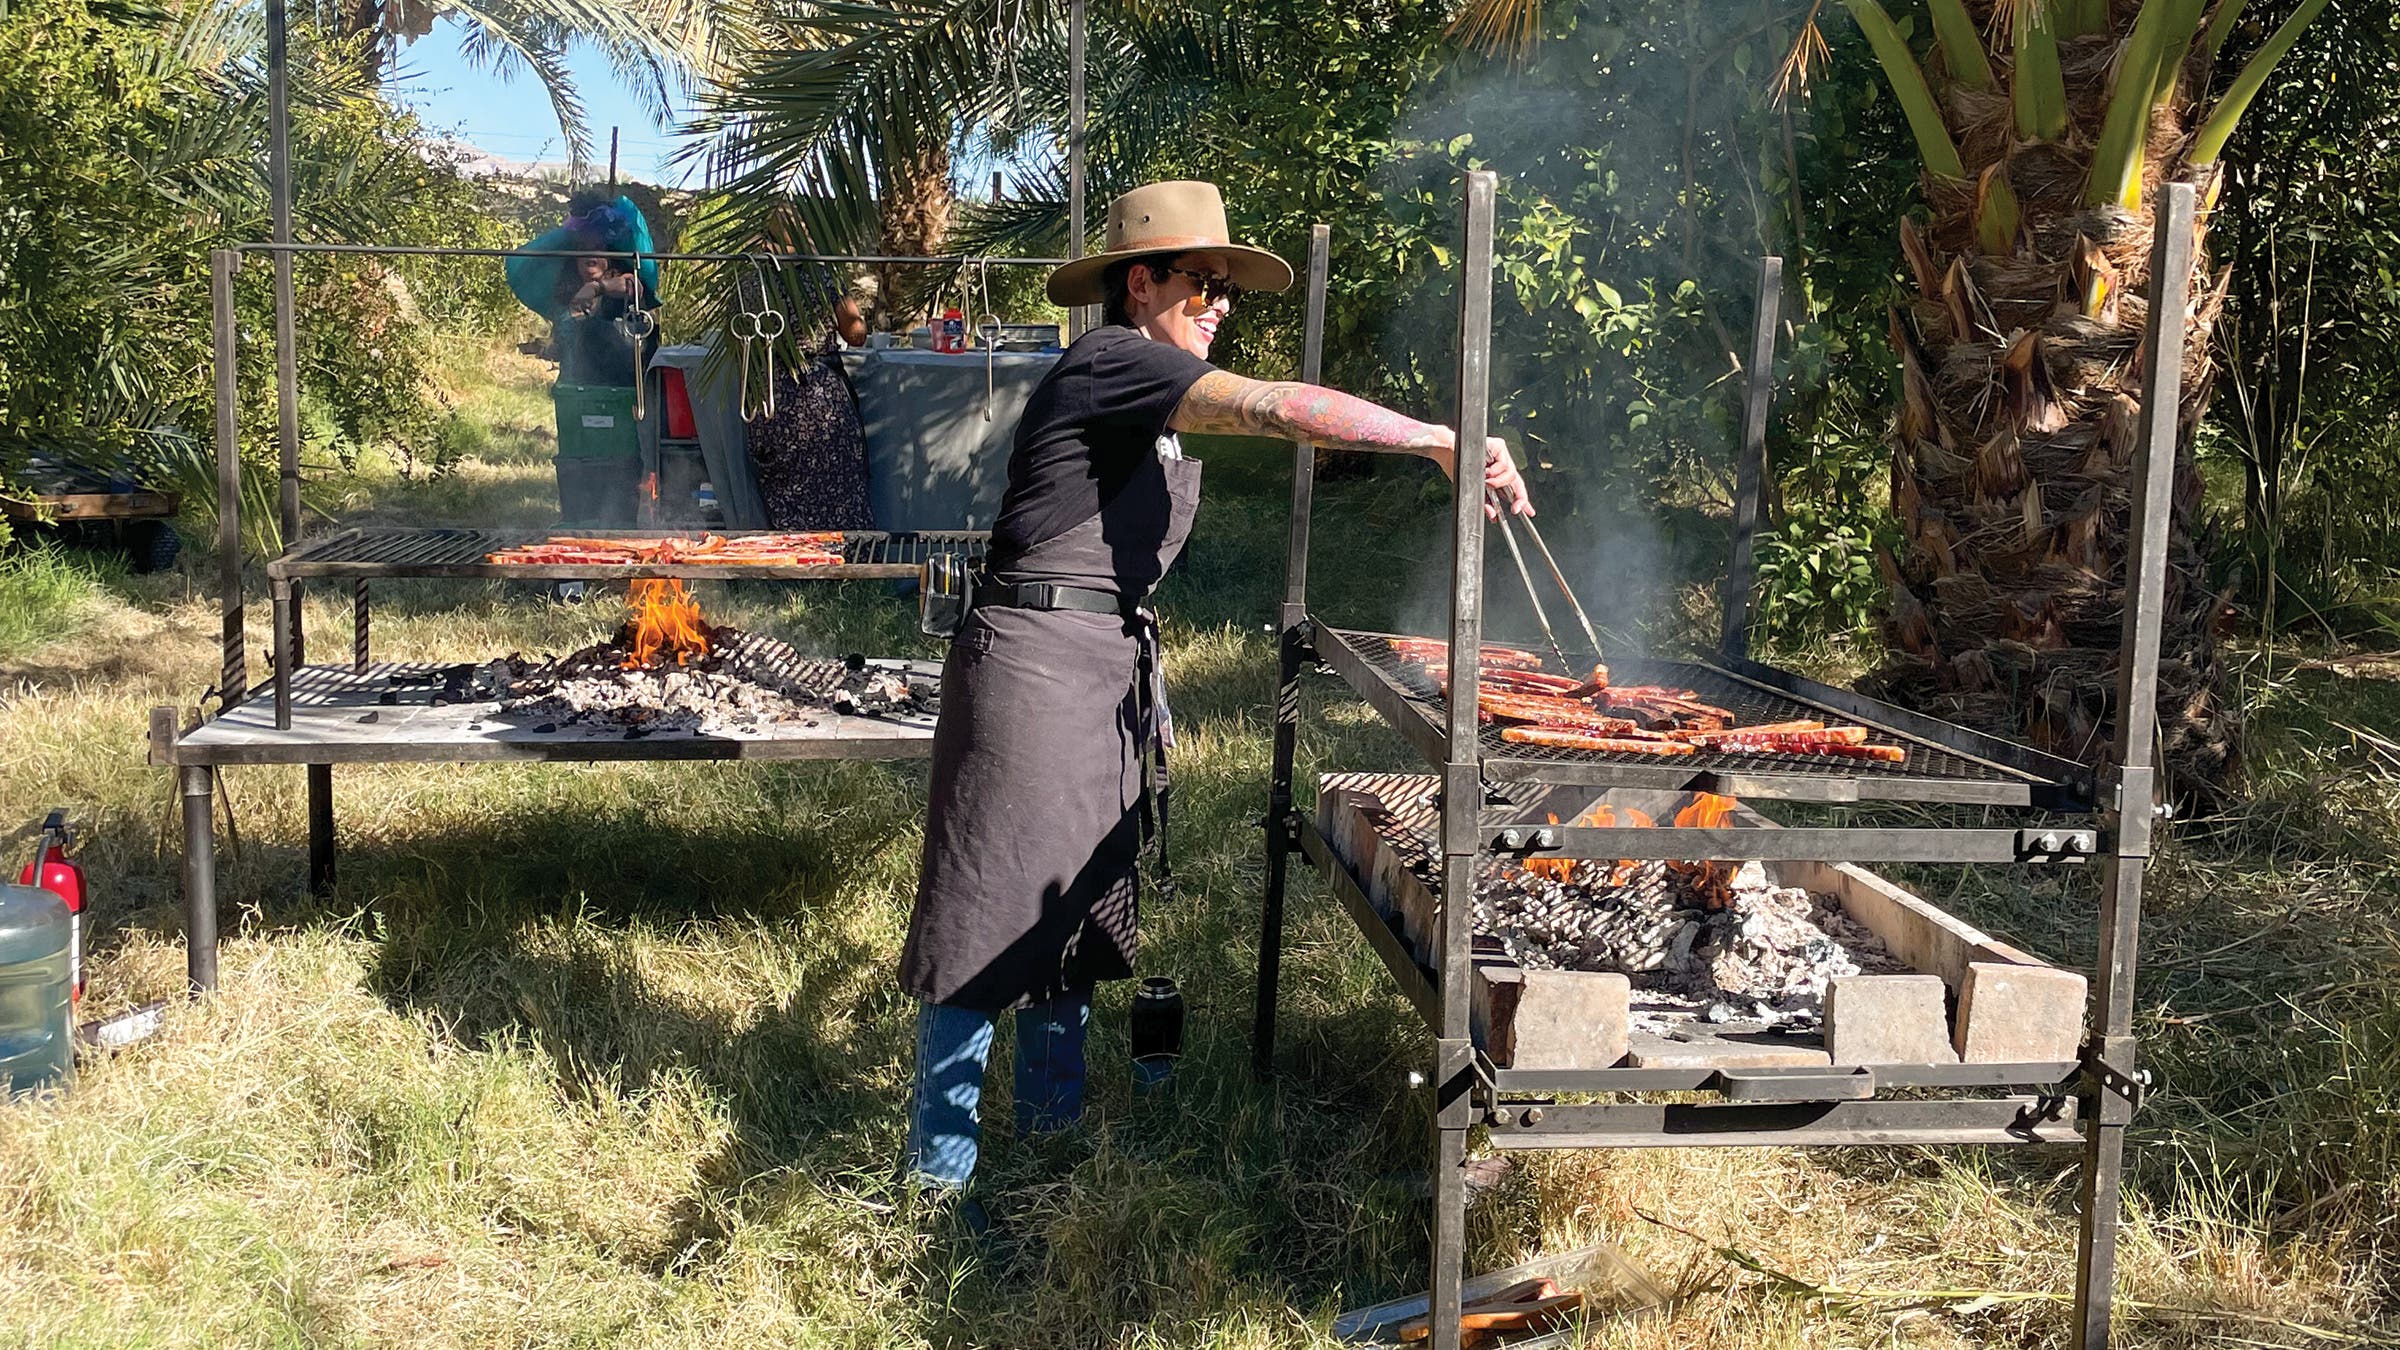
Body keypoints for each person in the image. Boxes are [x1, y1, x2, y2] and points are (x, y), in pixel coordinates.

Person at [897, 180, 1531, 1201]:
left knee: (1075, 906)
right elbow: (1274, 407)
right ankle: (940, 1185)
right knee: (986, 916)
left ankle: (1054, 1146)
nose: (1223, 301)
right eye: (1205, 281)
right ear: (1140, 283)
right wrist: (1434, 437)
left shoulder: (1147, 396)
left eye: (1229, 286)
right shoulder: (1113, 360)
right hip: (1030, 667)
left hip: (1098, 665)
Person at [745, 288, 877, 529]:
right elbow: (856, 334)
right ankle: (846, 560)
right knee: (838, 499)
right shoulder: (820, 274)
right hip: (818, 398)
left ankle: (789, 560)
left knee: (783, 499)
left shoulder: (750, 276)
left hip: (769, 397)